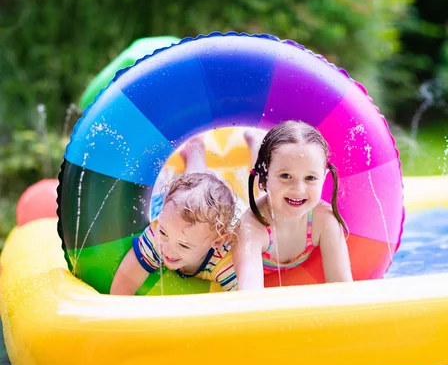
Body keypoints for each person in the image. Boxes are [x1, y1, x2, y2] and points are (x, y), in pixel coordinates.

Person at [232, 120, 353, 290]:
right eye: (286, 176)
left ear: (324, 179)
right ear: (264, 176)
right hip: (259, 209)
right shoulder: (250, 228)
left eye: (310, 178)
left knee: (275, 193)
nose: (298, 189)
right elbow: (250, 295)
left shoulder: (324, 220)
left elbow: (343, 289)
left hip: (273, 195)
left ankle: (255, 144)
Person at [110, 172, 240, 295]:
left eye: (184, 245)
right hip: (159, 206)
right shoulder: (158, 235)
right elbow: (123, 284)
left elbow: (245, 305)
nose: (166, 249)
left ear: (217, 242)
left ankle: (195, 155)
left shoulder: (225, 261)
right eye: (163, 233)